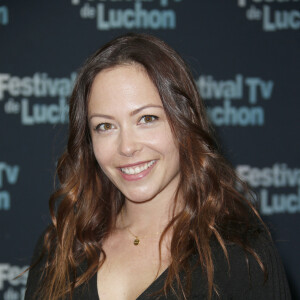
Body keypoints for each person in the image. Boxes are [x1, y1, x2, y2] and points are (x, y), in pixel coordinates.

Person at [25, 33, 291, 300]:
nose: (127, 147)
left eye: (147, 118)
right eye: (105, 126)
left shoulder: (241, 255)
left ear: (185, 121)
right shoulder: (60, 248)